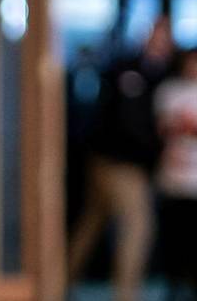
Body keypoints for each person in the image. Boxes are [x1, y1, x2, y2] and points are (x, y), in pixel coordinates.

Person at [68, 17, 175, 301]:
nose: (160, 42)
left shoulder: (162, 74)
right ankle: (126, 295)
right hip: (116, 161)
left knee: (91, 225)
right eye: (157, 35)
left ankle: (56, 284)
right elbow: (131, 122)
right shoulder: (129, 69)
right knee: (138, 225)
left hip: (125, 162)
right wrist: (155, 146)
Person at [155, 49, 197, 296]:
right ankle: (175, 285)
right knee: (175, 237)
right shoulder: (169, 90)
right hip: (175, 177)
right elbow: (161, 128)